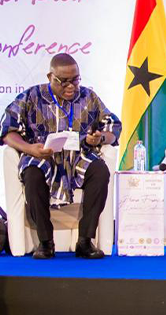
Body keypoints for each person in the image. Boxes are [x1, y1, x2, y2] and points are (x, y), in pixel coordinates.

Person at [1, 54, 121, 259]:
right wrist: (29, 149)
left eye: (75, 80)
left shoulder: (88, 97)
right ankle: (45, 242)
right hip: (42, 154)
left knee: (100, 171)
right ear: (50, 77)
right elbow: (6, 131)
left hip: (79, 155)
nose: (71, 86)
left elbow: (113, 127)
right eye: (64, 81)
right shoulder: (31, 96)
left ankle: (85, 241)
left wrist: (99, 138)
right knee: (32, 173)